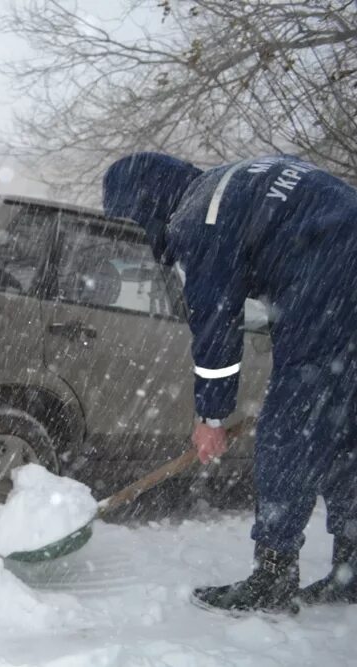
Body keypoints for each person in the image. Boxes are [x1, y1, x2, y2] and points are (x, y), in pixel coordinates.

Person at [102, 152, 357, 615]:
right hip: (340, 259)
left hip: (331, 273)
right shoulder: (226, 184)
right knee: (344, 425)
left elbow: (217, 322)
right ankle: (352, 568)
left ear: (146, 204)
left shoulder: (199, 219)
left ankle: (273, 578)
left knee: (292, 428)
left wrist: (212, 415)